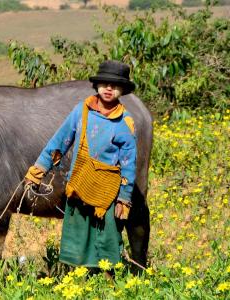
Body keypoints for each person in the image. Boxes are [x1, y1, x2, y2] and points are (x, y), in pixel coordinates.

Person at [25, 60, 137, 270]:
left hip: (107, 192)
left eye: (115, 85)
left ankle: (107, 279)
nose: (109, 89)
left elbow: (129, 164)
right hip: (79, 184)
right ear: (97, 86)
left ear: (122, 90)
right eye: (104, 84)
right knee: (77, 237)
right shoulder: (81, 111)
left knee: (107, 237)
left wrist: (124, 197)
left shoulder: (125, 123)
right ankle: (79, 277)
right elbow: (59, 142)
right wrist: (38, 170)